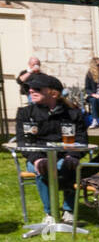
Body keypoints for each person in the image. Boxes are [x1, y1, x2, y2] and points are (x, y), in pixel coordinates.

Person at [15, 73, 86, 223]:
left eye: (37, 88)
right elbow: (23, 142)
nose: (31, 91)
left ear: (53, 93)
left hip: (64, 156)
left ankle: (68, 210)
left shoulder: (73, 114)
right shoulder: (26, 113)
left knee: (67, 166)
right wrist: (36, 159)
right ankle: (51, 214)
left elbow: (81, 140)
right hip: (38, 156)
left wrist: (72, 155)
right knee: (42, 167)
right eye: (29, 88)